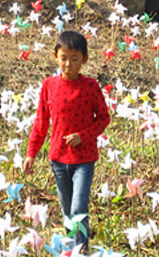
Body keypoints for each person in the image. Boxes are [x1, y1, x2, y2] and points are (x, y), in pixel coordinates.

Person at [23, 30, 110, 252]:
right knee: (67, 210)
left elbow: (103, 117)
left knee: (78, 208)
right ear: (55, 57)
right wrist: (31, 153)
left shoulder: (90, 86)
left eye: (74, 59)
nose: (68, 64)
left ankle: (81, 250)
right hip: (58, 158)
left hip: (84, 159)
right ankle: (72, 248)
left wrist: (83, 136)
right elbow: (41, 122)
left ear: (84, 59)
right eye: (63, 58)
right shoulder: (49, 86)